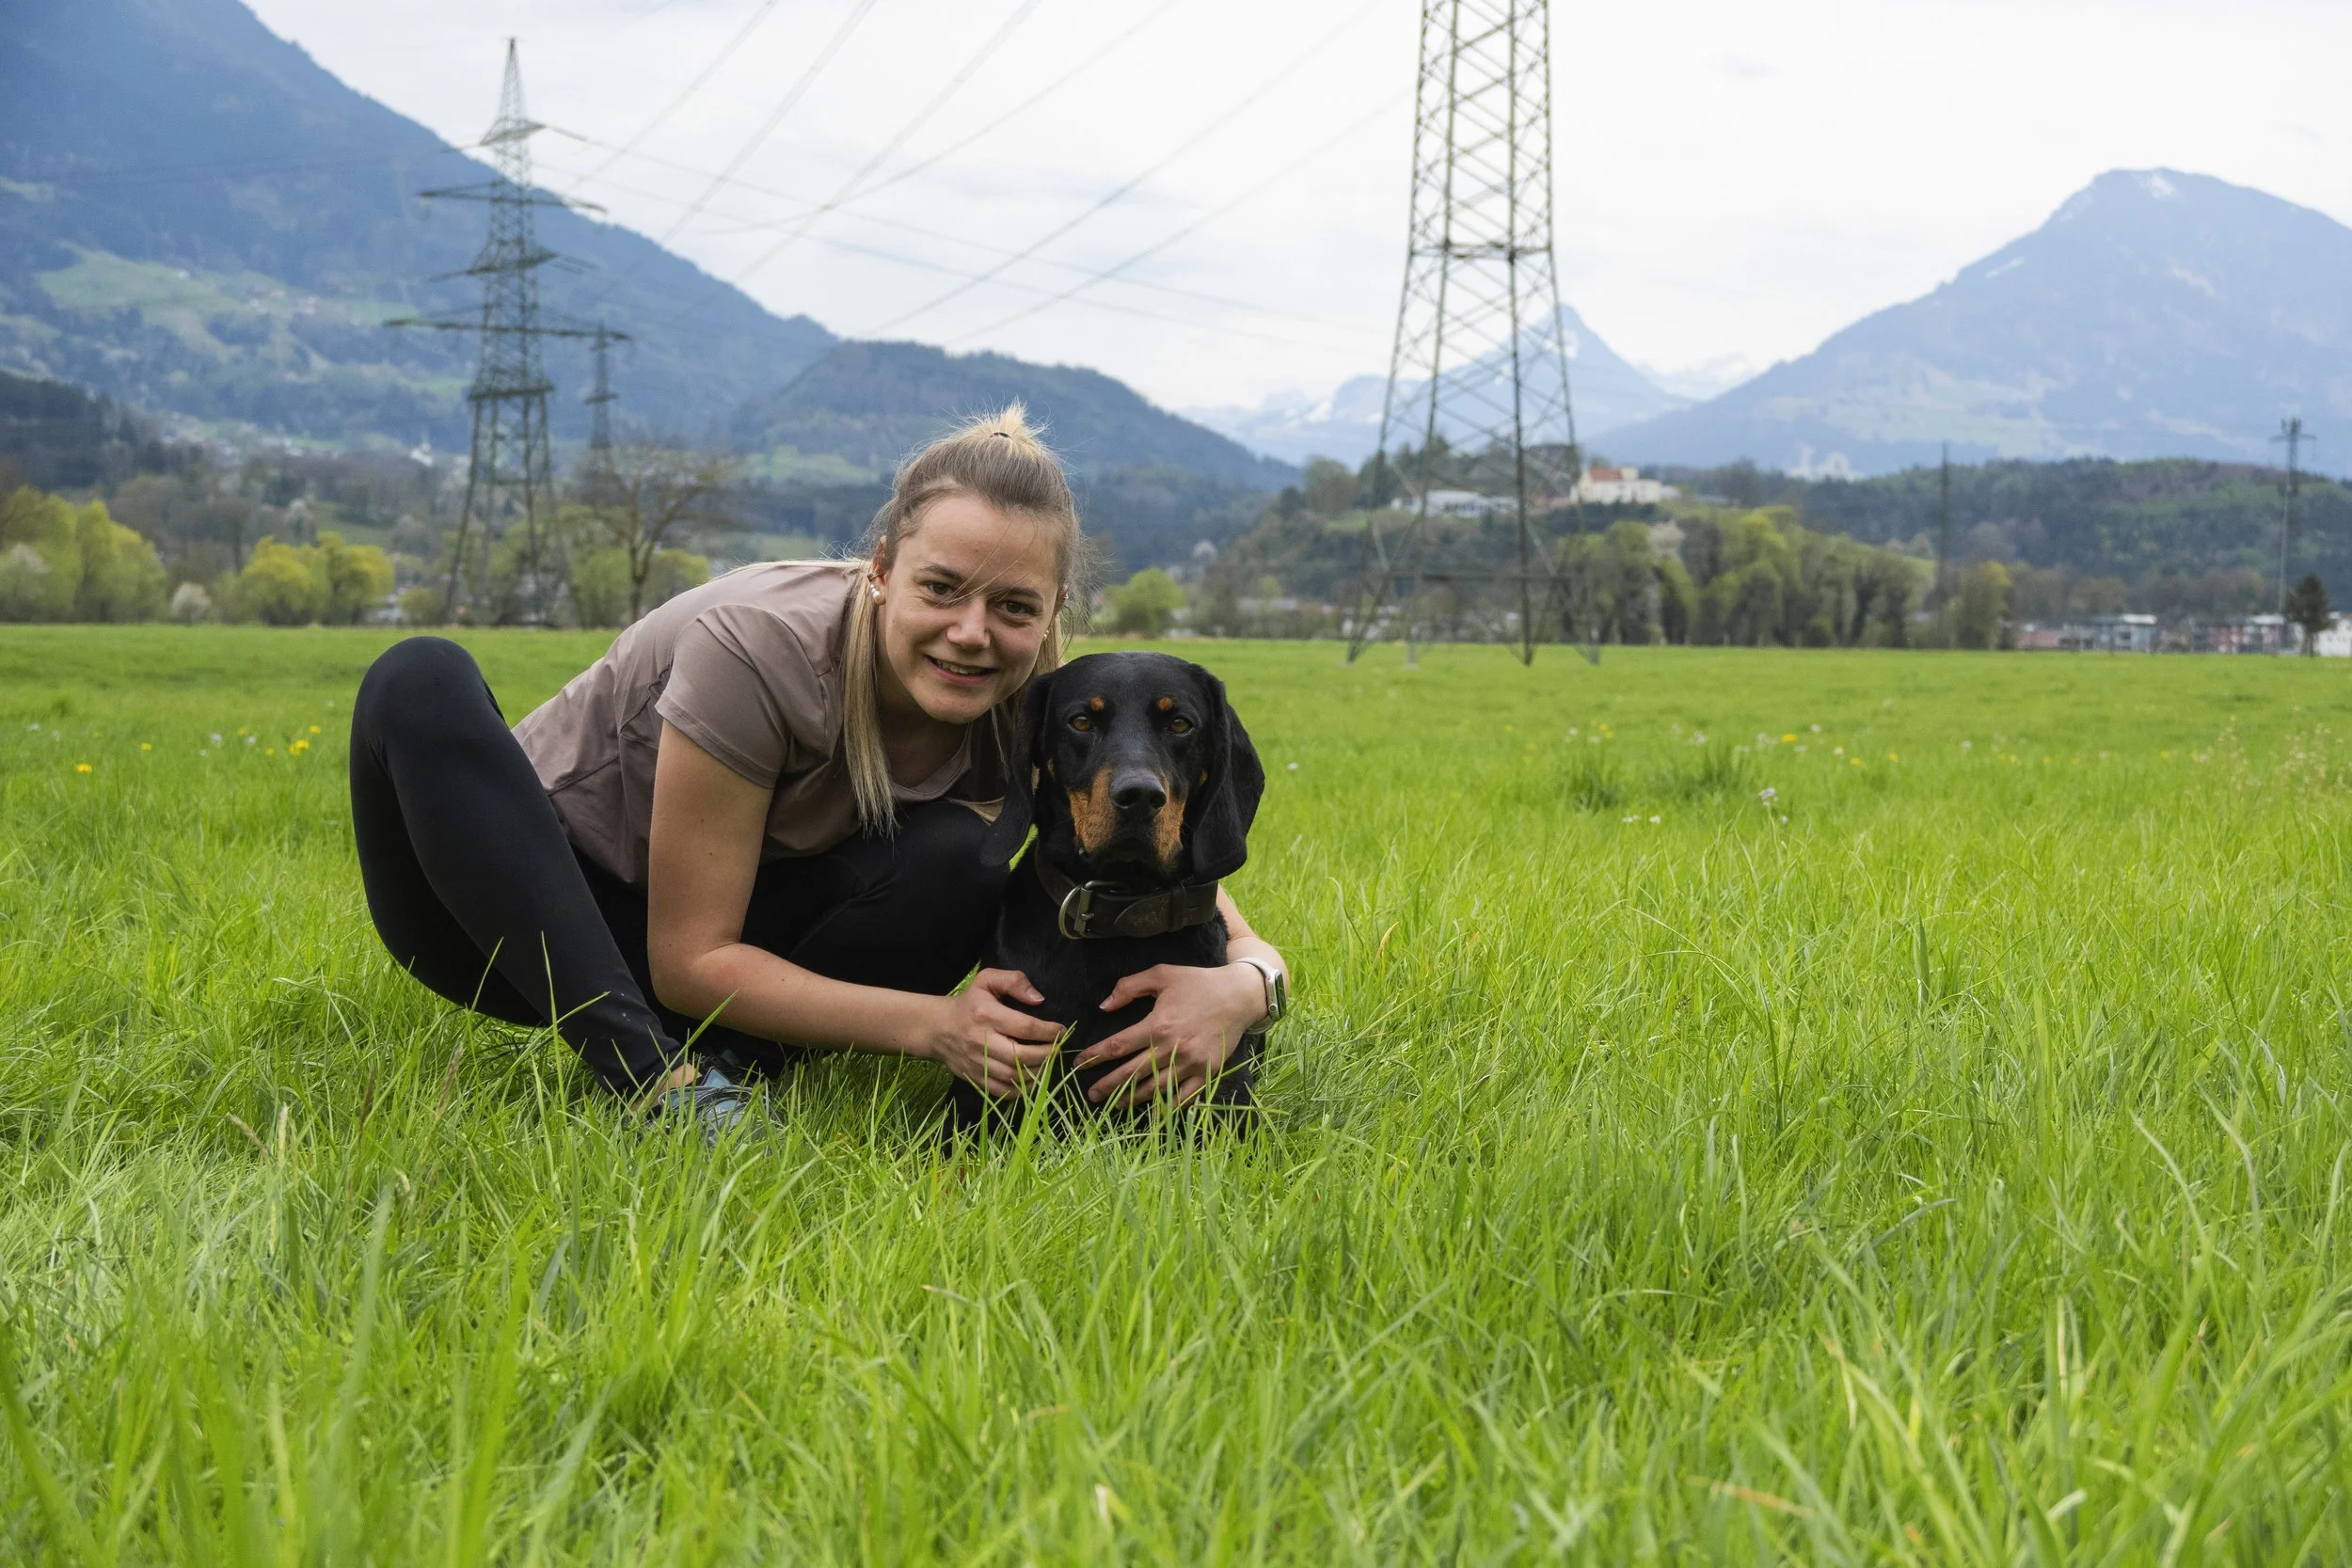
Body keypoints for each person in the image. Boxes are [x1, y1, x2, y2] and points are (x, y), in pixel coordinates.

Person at [347, 406, 1288, 1133]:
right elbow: (688, 959)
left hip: (726, 937)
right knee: (417, 675)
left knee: (957, 855)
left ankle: (732, 1064)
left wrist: (1243, 988)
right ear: (881, 566)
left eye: (1012, 604)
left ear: (1051, 612)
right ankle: (657, 1083)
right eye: (940, 587)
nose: (971, 632)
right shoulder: (756, 643)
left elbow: (1191, 877)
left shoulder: (1037, 701)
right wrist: (932, 1024)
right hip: (510, 916)